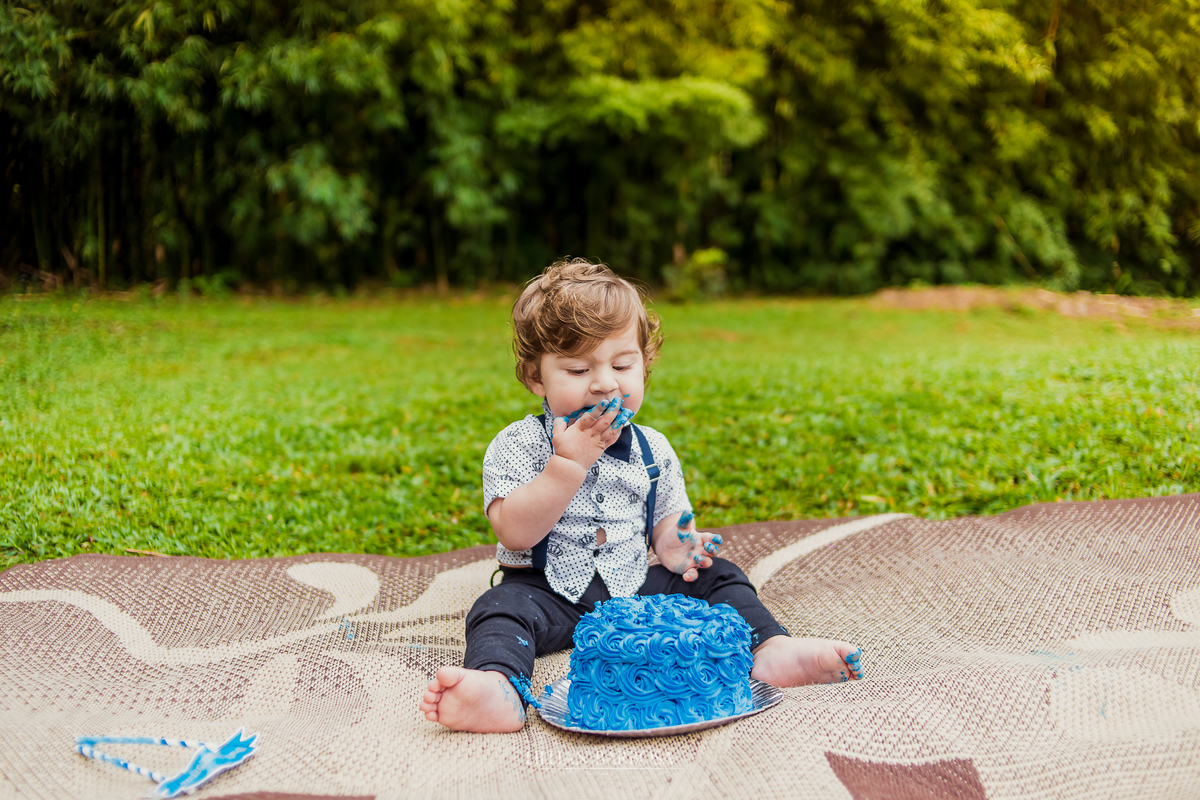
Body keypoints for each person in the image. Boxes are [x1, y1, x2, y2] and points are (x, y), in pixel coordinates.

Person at [419, 258, 863, 733]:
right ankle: (499, 687)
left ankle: (770, 648)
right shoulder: (517, 445)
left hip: (634, 591)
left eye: (622, 364)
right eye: (577, 368)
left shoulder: (653, 449)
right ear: (535, 377)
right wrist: (568, 466)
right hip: (546, 593)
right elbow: (514, 531)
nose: (605, 383)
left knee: (720, 577)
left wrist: (676, 545)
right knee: (497, 610)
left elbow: (667, 520)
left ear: (644, 366)